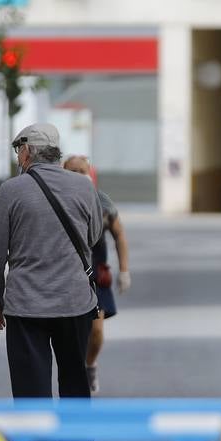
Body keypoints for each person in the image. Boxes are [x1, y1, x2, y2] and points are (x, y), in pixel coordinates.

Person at [0, 123, 103, 441]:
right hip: (75, 304)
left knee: (32, 393)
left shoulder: (11, 191)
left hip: (26, 309)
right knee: (76, 387)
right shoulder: (83, 186)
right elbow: (94, 235)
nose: (17, 156)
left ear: (27, 152)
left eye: (17, 149)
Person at [62, 155, 131, 393]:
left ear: (90, 173)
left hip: (96, 276)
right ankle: (75, 374)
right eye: (72, 171)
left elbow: (119, 234)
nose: (78, 176)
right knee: (72, 333)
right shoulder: (57, 201)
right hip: (67, 277)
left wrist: (124, 271)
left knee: (97, 330)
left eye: (82, 171)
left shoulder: (102, 202)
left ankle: (90, 364)